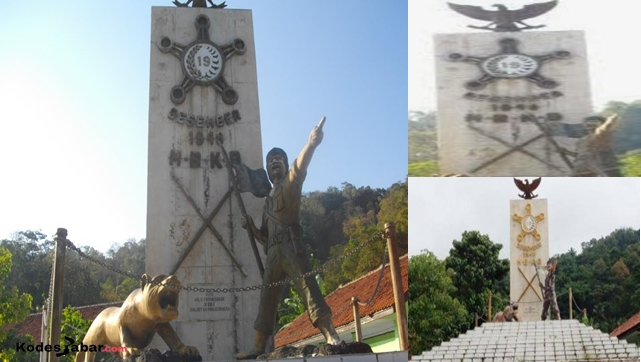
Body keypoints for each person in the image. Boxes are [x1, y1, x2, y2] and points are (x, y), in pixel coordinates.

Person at [237, 117, 340, 359]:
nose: (275, 164)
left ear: (284, 165)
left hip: (292, 247)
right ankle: (259, 346)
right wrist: (251, 229)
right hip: (273, 252)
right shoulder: (267, 202)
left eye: (279, 161)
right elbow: (264, 237)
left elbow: (299, 168)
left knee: (308, 288)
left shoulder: (289, 185)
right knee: (267, 299)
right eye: (271, 162)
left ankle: (330, 333)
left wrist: (310, 145)